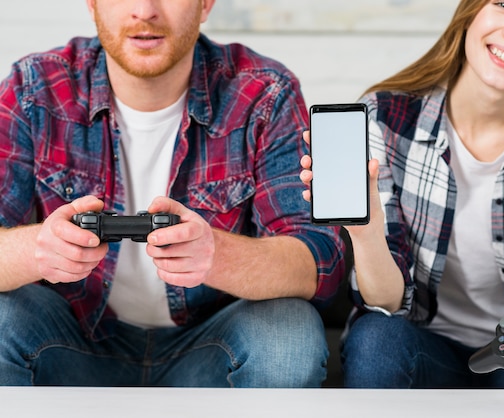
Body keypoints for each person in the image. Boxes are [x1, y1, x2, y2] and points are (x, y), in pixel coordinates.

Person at [0, 0, 346, 387]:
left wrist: (217, 256)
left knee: (288, 333)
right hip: (70, 345)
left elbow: (321, 261)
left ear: (205, 4)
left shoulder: (263, 93)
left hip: (209, 349)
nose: (145, 11)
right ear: (93, 3)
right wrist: (39, 249)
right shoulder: (35, 87)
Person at [301, 0, 504, 413]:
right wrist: (367, 233)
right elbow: (384, 302)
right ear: (470, 13)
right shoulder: (386, 117)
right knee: (376, 337)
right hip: (424, 346)